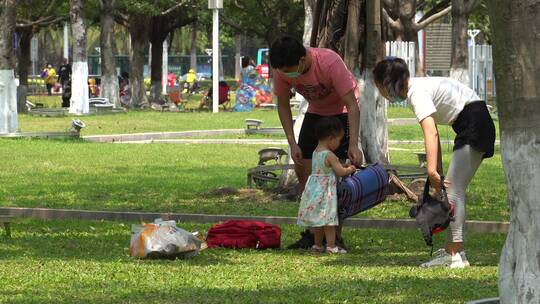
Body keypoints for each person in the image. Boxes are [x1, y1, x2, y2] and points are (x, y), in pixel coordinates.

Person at [373, 57, 496, 268]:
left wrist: (431, 171)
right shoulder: (418, 88)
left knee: (454, 190)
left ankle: (456, 255)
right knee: (451, 188)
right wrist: (437, 168)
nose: (381, 93)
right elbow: (434, 133)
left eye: (379, 87)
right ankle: (452, 251)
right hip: (473, 122)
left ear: (388, 84)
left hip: (474, 124)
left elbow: (431, 132)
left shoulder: (416, 94)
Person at [269, 35, 362, 249]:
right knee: (306, 173)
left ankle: (335, 236)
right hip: (315, 113)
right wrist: (292, 143)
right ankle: (313, 234)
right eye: (282, 70)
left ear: (302, 60)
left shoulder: (329, 62)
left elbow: (352, 103)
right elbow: (283, 104)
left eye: (290, 69)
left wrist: (353, 143)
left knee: (336, 178)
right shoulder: (282, 69)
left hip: (341, 113)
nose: (286, 74)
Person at [297, 117, 356, 254]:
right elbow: (340, 172)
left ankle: (317, 245)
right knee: (329, 220)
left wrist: (340, 166)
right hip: (326, 193)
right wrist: (350, 169)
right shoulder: (330, 155)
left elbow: (326, 168)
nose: (339, 143)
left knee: (318, 220)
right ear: (331, 138)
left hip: (315, 192)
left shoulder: (315, 152)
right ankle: (331, 246)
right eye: (339, 140)